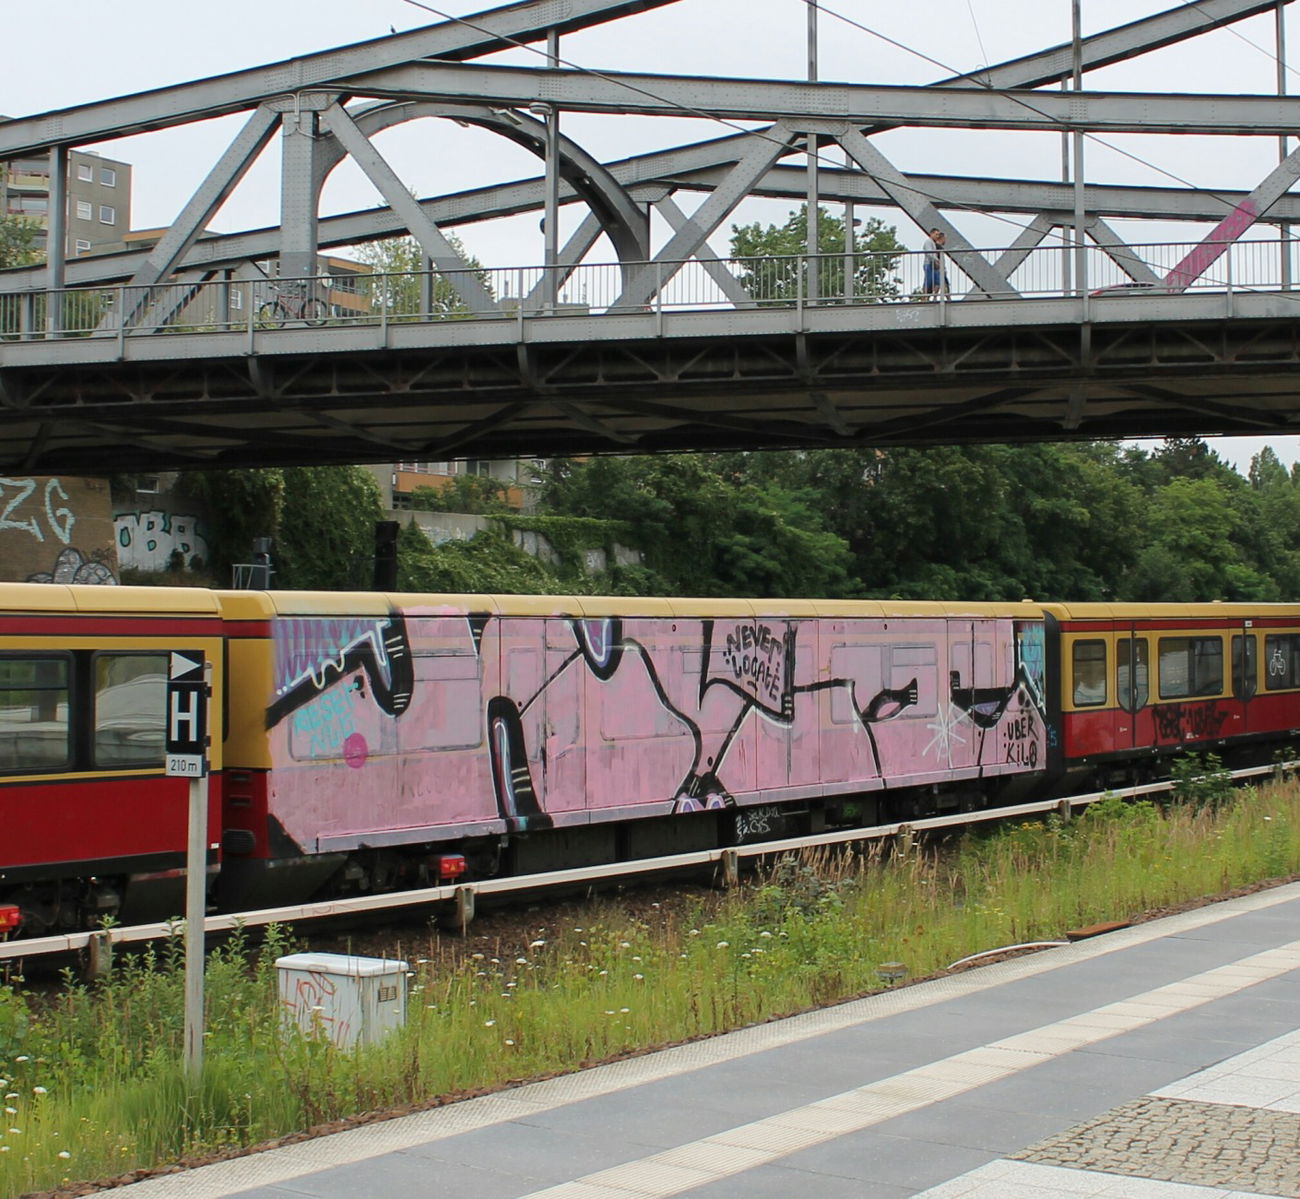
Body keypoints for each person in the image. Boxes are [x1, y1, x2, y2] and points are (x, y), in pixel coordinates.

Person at [923, 228, 950, 299]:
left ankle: (930, 297)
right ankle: (925, 297)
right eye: (936, 234)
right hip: (929, 264)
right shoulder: (928, 242)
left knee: (937, 281)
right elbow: (929, 253)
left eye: (938, 235)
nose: (937, 236)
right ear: (931, 234)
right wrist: (936, 260)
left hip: (933, 264)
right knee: (929, 281)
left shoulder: (932, 243)